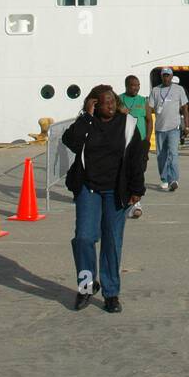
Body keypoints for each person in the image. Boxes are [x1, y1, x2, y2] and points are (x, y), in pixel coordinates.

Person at [63, 85, 145, 314]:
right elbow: (70, 140)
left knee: (111, 241)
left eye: (112, 101)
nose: (109, 106)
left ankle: (111, 293)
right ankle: (87, 286)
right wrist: (86, 116)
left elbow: (137, 158)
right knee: (83, 238)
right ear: (94, 103)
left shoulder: (127, 124)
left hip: (116, 191)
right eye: (103, 102)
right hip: (89, 189)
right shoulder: (88, 124)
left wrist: (137, 188)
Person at [147, 68, 189, 192]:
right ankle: (164, 179)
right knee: (161, 156)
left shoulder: (179, 89)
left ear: (172, 77)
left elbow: (185, 108)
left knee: (173, 154)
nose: (166, 78)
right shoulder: (155, 90)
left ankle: (174, 179)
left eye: (168, 76)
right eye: (164, 76)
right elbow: (149, 108)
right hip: (160, 128)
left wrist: (187, 125)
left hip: (174, 128)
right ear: (161, 77)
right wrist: (148, 122)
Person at [120, 75, 150, 219]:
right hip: (124, 142)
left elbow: (149, 120)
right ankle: (127, 201)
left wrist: (147, 139)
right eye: (133, 85)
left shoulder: (143, 101)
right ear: (127, 85)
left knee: (139, 170)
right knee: (125, 171)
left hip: (140, 143)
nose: (136, 87)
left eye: (138, 85)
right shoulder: (119, 100)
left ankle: (136, 202)